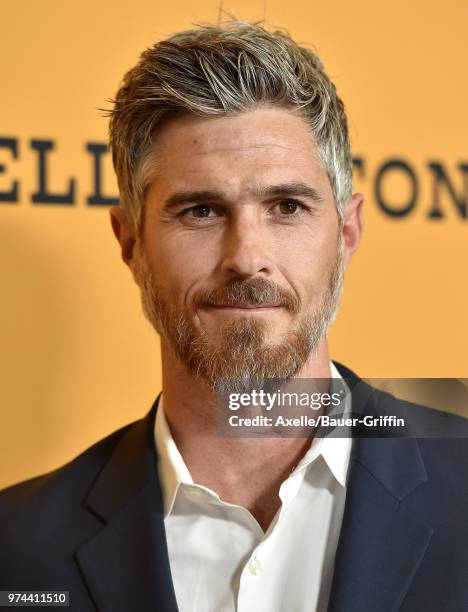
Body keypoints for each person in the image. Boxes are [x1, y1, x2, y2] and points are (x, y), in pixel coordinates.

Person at [0, 20, 467, 612]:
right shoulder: (16, 550)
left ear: (347, 231)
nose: (247, 257)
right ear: (130, 243)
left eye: (287, 206)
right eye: (200, 211)